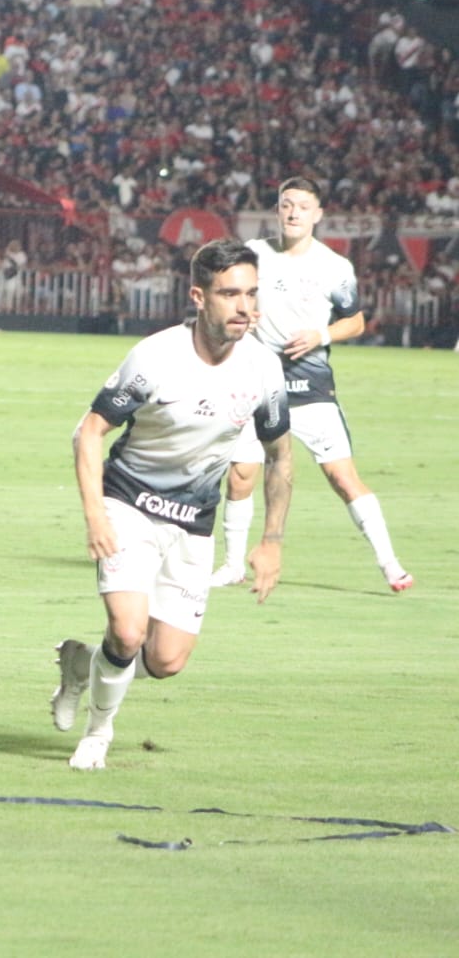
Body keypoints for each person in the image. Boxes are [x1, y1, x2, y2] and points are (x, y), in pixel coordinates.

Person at [50, 239, 293, 771]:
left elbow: (280, 456)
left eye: (251, 294)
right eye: (230, 294)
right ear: (199, 297)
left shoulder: (263, 369)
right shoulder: (156, 357)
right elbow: (89, 432)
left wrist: (271, 541)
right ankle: (98, 734)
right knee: (128, 631)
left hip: (193, 522)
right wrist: (95, 514)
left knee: (165, 660)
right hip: (129, 504)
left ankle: (83, 667)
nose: (244, 307)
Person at [209, 176, 413, 592]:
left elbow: (355, 321)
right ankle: (232, 566)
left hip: (311, 387)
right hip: (258, 385)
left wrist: (320, 335)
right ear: (277, 210)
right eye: (287, 204)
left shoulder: (334, 267)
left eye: (303, 206)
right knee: (241, 476)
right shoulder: (254, 255)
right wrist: (244, 315)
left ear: (317, 215)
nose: (294, 213)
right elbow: (231, 298)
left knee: (342, 477)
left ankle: (390, 564)